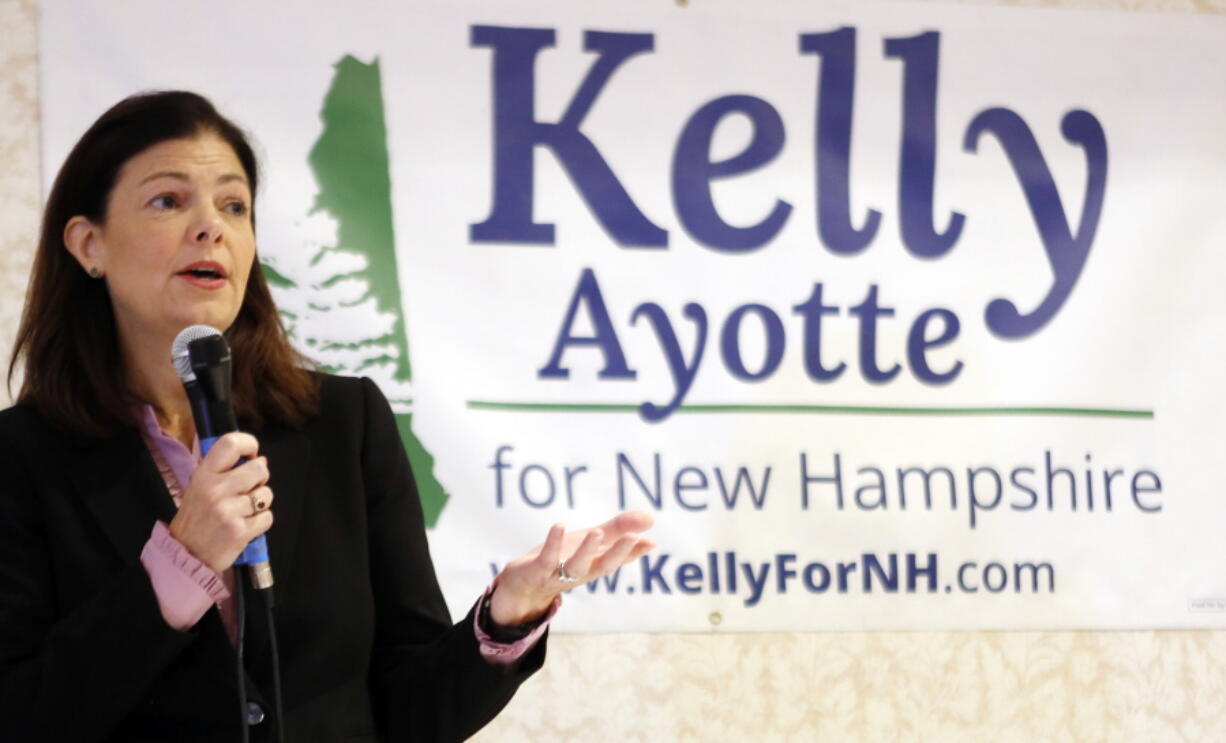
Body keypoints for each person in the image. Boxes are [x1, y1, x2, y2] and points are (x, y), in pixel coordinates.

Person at [0, 91, 655, 743]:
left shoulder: (343, 424)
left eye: (234, 205)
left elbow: (411, 712)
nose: (212, 227)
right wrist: (184, 558)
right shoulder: (21, 457)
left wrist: (506, 618)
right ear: (89, 244)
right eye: (169, 200)